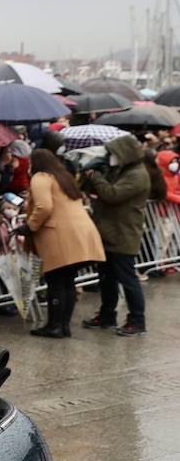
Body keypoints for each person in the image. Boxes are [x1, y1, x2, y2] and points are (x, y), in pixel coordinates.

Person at [25, 151, 105, 338]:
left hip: (60, 235)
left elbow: (44, 206)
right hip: (81, 233)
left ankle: (54, 326)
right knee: (68, 281)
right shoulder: (63, 176)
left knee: (56, 281)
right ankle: (63, 326)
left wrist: (30, 226)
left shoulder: (41, 177)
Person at [81, 135, 150, 336]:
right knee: (107, 278)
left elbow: (112, 194)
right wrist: (98, 171)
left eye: (112, 154)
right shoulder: (122, 170)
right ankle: (107, 315)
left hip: (123, 234)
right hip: (109, 232)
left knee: (128, 279)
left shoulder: (137, 174)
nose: (110, 157)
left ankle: (137, 321)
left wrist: (97, 176)